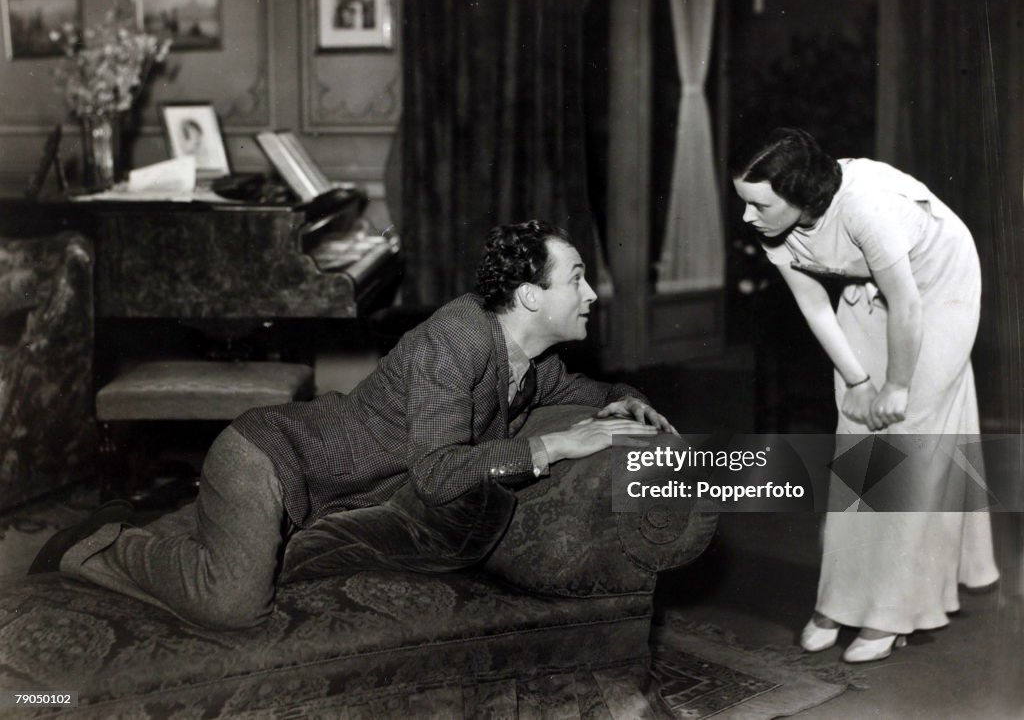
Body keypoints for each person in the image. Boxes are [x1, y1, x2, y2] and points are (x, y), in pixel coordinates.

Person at [30, 219, 673, 629]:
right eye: (579, 280)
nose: (591, 295)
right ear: (532, 296)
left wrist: (625, 395)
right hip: (266, 457)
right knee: (233, 605)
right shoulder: (457, 338)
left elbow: (580, 386)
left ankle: (180, 521)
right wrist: (557, 442)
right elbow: (437, 472)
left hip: (308, 493)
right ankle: (99, 542)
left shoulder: (527, 364)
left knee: (237, 567)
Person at [730, 128, 999, 663]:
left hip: (936, 290)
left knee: (906, 440)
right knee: (859, 440)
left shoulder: (868, 208)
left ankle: (891, 611)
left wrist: (897, 385)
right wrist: (857, 381)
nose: (747, 217)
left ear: (802, 196)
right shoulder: (772, 225)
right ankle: (841, 600)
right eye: (744, 202)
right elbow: (814, 306)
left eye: (758, 203)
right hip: (871, 285)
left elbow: (909, 305)